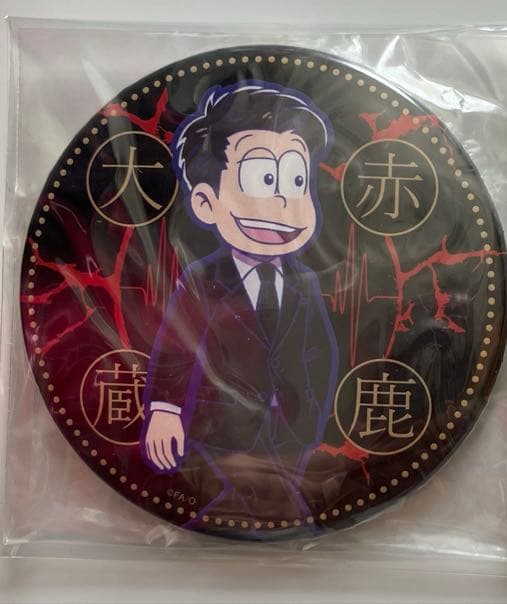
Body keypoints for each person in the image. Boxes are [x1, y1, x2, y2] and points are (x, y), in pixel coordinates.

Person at [141, 82, 339, 527]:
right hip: (222, 431)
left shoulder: (306, 283)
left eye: (297, 181)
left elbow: (320, 351)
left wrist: (313, 411)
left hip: (292, 432)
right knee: (267, 509)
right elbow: (175, 349)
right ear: (206, 202)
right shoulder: (202, 280)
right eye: (262, 179)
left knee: (271, 508)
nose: (282, 200)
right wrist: (166, 412)